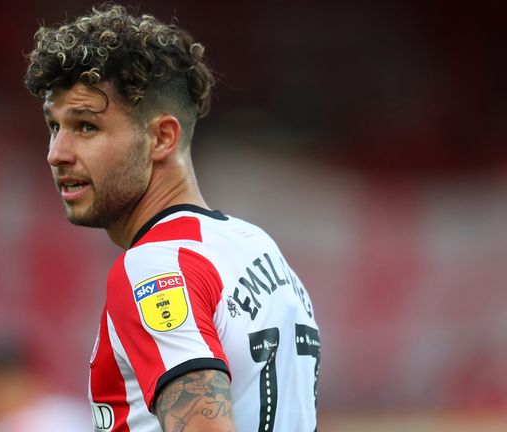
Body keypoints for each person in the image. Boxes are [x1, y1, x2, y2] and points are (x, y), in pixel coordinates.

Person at [24, 4, 320, 431]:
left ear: (162, 137)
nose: (57, 153)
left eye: (86, 127)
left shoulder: (155, 266)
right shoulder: (256, 247)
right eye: (55, 126)